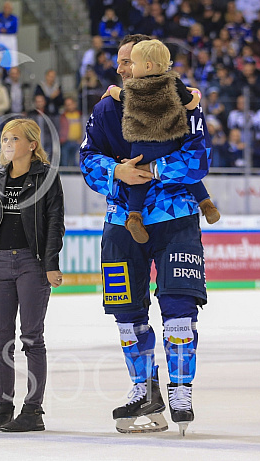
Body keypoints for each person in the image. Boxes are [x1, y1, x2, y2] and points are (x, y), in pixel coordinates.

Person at [79, 34, 209, 436]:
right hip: (122, 222)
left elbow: (199, 161)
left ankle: (180, 389)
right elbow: (86, 159)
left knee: (179, 313)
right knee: (126, 315)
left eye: (128, 61)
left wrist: (152, 172)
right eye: (119, 61)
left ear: (148, 65)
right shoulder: (105, 109)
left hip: (176, 219)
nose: (121, 67)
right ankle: (143, 386)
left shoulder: (182, 104)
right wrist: (117, 171)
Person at [0, 118, 65, 433]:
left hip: (33, 263)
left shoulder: (47, 177)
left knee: (31, 338)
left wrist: (51, 263)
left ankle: (33, 410)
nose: (7, 145)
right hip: (0, 263)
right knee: (0, 339)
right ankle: (3, 407)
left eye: (14, 139)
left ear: (31, 144)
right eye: (4, 140)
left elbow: (55, 222)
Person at [101, 39, 219, 243]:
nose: (129, 69)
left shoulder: (135, 88)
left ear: (147, 66)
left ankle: (134, 216)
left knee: (138, 178)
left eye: (133, 64)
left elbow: (118, 94)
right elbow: (191, 104)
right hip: (169, 142)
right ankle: (207, 204)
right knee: (189, 176)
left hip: (141, 144)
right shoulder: (173, 83)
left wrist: (111, 89)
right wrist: (196, 95)